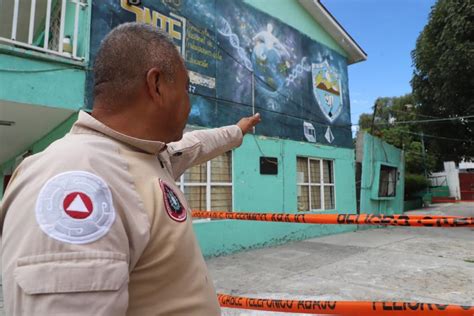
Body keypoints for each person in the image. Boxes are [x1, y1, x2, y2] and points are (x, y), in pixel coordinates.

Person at [0, 22, 261, 315]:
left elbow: (196, 144)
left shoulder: (144, 157)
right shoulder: (76, 177)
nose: (189, 104)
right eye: (186, 89)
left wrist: (237, 131)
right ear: (156, 85)